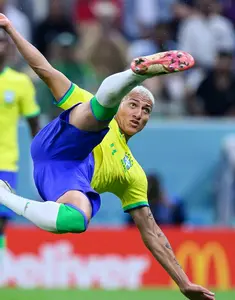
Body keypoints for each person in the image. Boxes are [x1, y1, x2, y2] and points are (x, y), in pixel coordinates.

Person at [0, 13, 214, 300]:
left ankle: (4, 195)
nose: (139, 114)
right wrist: (11, 30)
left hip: (64, 180)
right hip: (59, 144)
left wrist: (183, 281)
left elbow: (152, 232)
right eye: (134, 105)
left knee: (77, 221)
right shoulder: (99, 107)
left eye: (147, 110)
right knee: (98, 116)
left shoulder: (132, 174)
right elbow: (45, 70)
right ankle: (135, 74)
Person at [0, 28, 40, 264]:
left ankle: (1, 267)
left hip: (5, 162)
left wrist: (42, 160)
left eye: (3, 42)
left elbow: (34, 122)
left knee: (1, 219)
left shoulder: (20, 83)